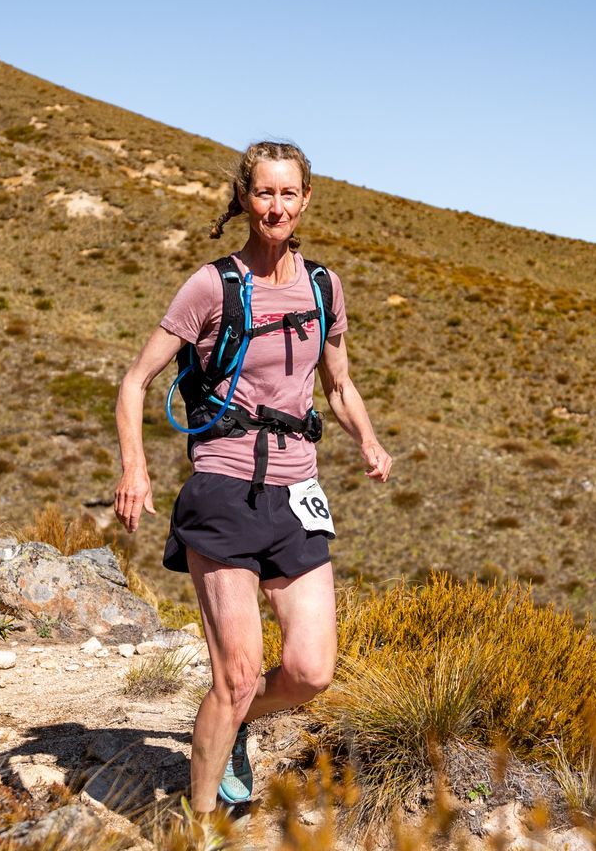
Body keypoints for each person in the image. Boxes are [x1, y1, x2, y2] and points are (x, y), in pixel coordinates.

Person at [114, 140, 391, 814]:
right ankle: (200, 831)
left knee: (310, 671)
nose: (276, 206)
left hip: (297, 495)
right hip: (223, 489)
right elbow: (134, 380)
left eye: (288, 193)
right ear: (244, 198)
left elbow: (341, 382)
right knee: (236, 675)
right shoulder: (213, 285)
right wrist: (135, 468)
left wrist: (370, 442)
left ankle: (233, 722)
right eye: (264, 192)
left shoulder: (322, 286)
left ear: (306, 200)